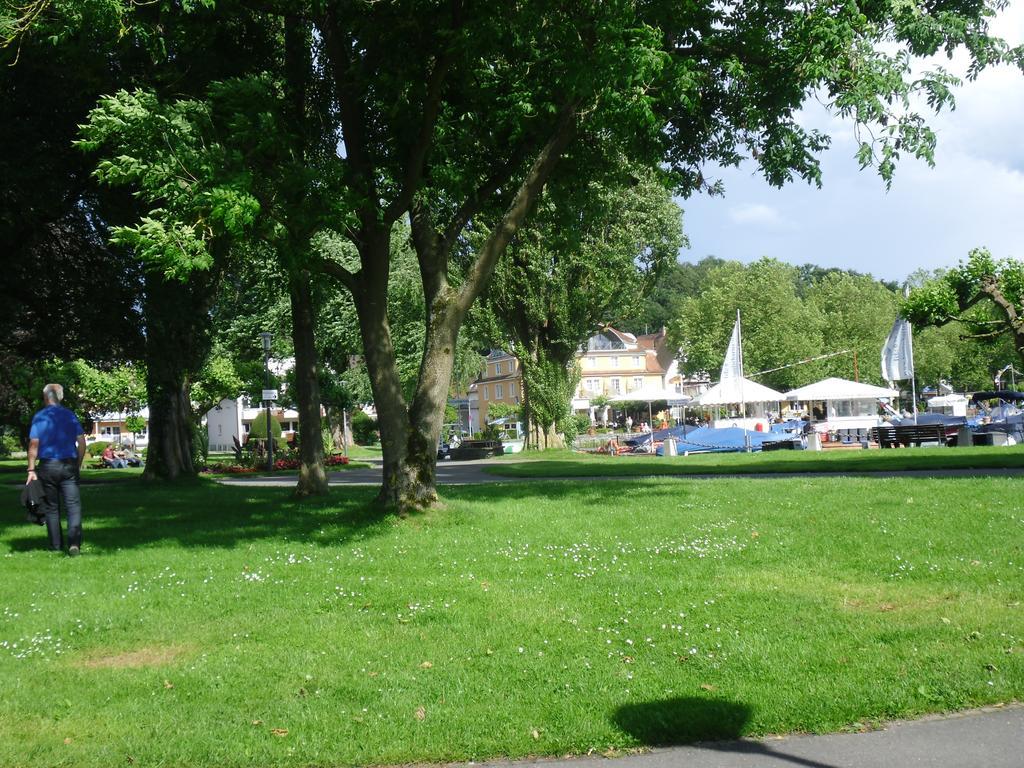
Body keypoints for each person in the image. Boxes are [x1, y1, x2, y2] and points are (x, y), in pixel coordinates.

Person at [26, 383, 86, 555]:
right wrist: (78, 464)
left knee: (52, 507)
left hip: (47, 465)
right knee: (73, 506)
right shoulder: (69, 415)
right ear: (60, 397)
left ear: (45, 398)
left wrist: (31, 469)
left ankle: (55, 546)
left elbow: (34, 444)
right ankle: (74, 543)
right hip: (68, 465)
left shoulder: (40, 417)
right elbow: (81, 442)